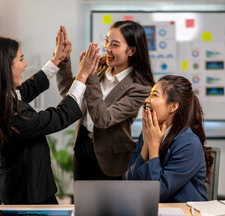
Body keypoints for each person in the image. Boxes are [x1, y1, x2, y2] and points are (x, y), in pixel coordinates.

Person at [0, 27, 99, 204]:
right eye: (21, 59)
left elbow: (28, 89)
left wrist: (56, 60)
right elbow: (60, 117)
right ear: (5, 66)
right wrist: (83, 75)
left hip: (22, 186)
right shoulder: (10, 113)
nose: (25, 65)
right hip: (28, 194)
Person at [56, 21, 155, 180]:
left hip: (111, 159)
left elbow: (103, 119)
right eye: (106, 41)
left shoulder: (141, 87)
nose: (107, 48)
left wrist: (91, 76)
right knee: (83, 203)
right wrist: (64, 59)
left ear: (131, 51)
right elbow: (69, 91)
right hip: (82, 146)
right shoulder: (100, 65)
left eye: (115, 44)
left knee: (110, 205)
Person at [123, 75, 214, 203]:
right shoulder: (149, 133)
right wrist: (146, 148)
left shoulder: (189, 143)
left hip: (187, 215)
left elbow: (158, 193)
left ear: (173, 107)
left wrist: (153, 147)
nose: (146, 100)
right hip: (153, 211)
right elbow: (128, 184)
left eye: (154, 95)